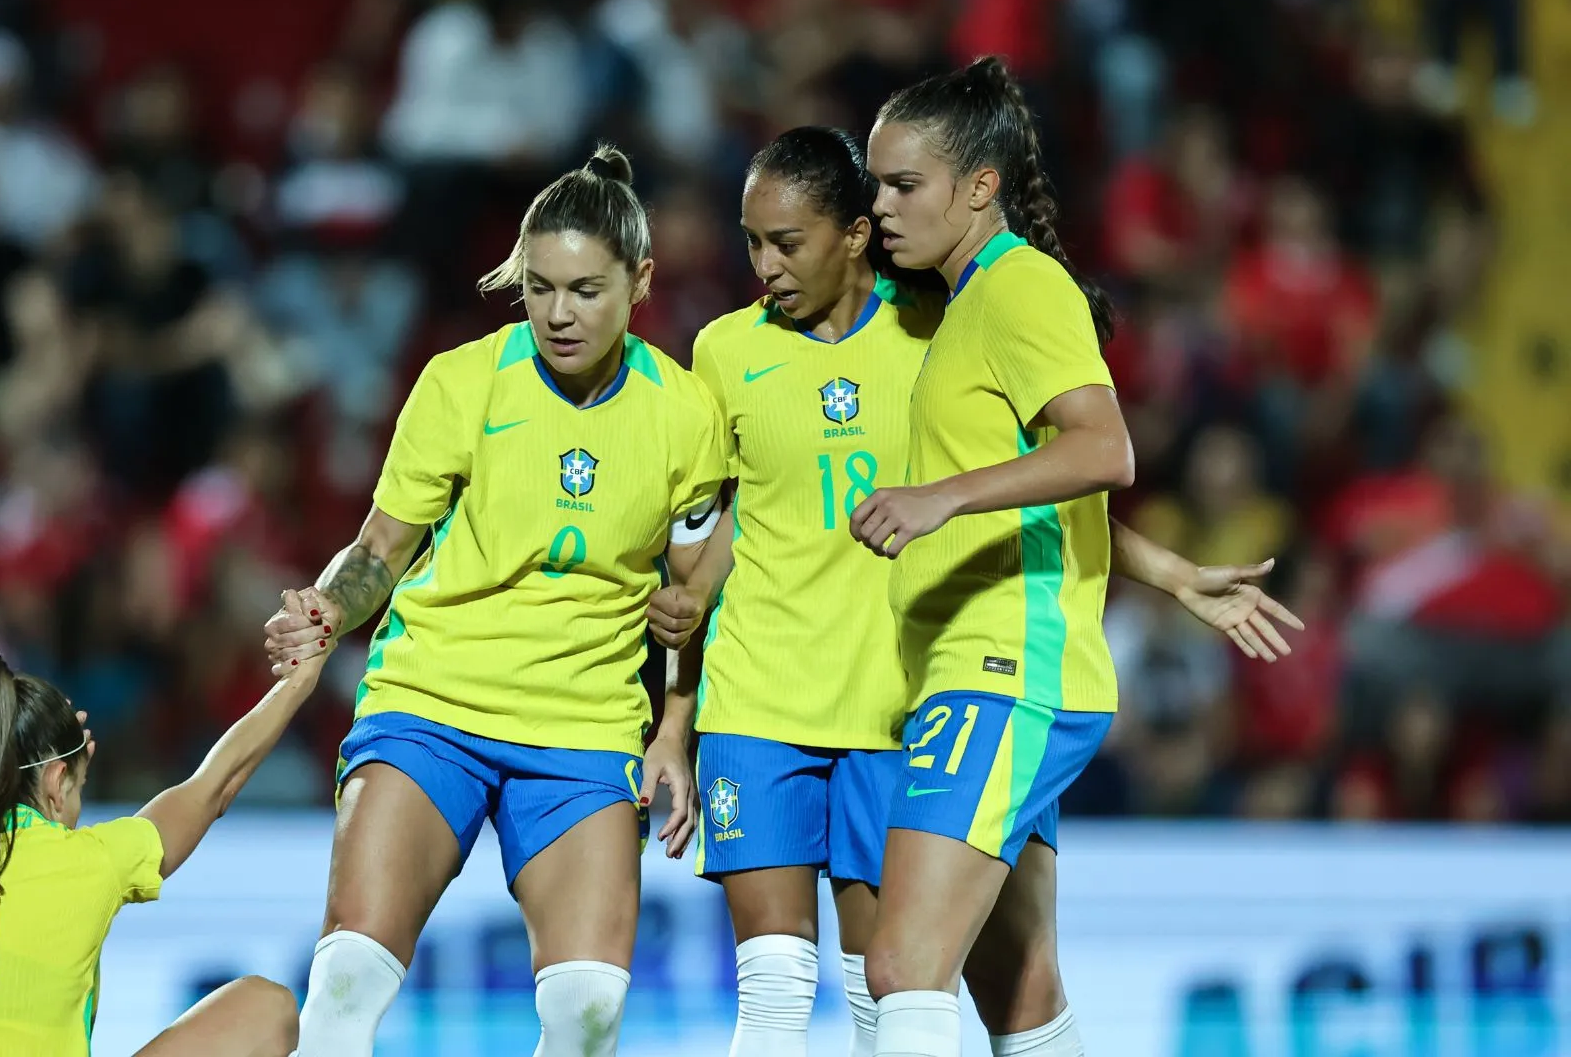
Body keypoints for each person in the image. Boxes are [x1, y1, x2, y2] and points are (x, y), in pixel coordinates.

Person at [651, 126, 1305, 1057]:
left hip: (902, 701)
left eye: (786, 242)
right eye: (751, 241)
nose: (764, 265)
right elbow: (738, 518)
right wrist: (676, 716)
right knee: (774, 990)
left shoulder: (936, 335)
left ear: (852, 234)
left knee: (930, 982)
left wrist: (1163, 573)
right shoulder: (721, 353)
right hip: (761, 696)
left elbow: (1014, 495)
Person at [846, 56, 1300, 1057]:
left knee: (900, 968)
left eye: (901, 185)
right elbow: (1056, 492)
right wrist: (1175, 574)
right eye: (874, 183)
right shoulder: (966, 305)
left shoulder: (1020, 287)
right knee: (1016, 988)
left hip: (1003, 673)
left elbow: (1104, 449)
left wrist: (939, 499)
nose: (877, 205)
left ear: (979, 188)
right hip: (982, 672)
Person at [261, 144, 726, 1057]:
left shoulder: (686, 413)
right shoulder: (461, 382)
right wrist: (329, 605)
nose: (557, 313)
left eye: (585, 290)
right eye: (539, 286)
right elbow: (377, 552)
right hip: (431, 702)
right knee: (348, 977)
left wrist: (675, 728)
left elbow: (691, 596)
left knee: (588, 1011)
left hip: (585, 726)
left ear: (641, 281)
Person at [0, 607, 331, 1057]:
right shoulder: (86, 862)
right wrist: (299, 680)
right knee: (265, 1008)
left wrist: (59, 754)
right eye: (77, 789)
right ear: (56, 783)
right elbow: (213, 787)